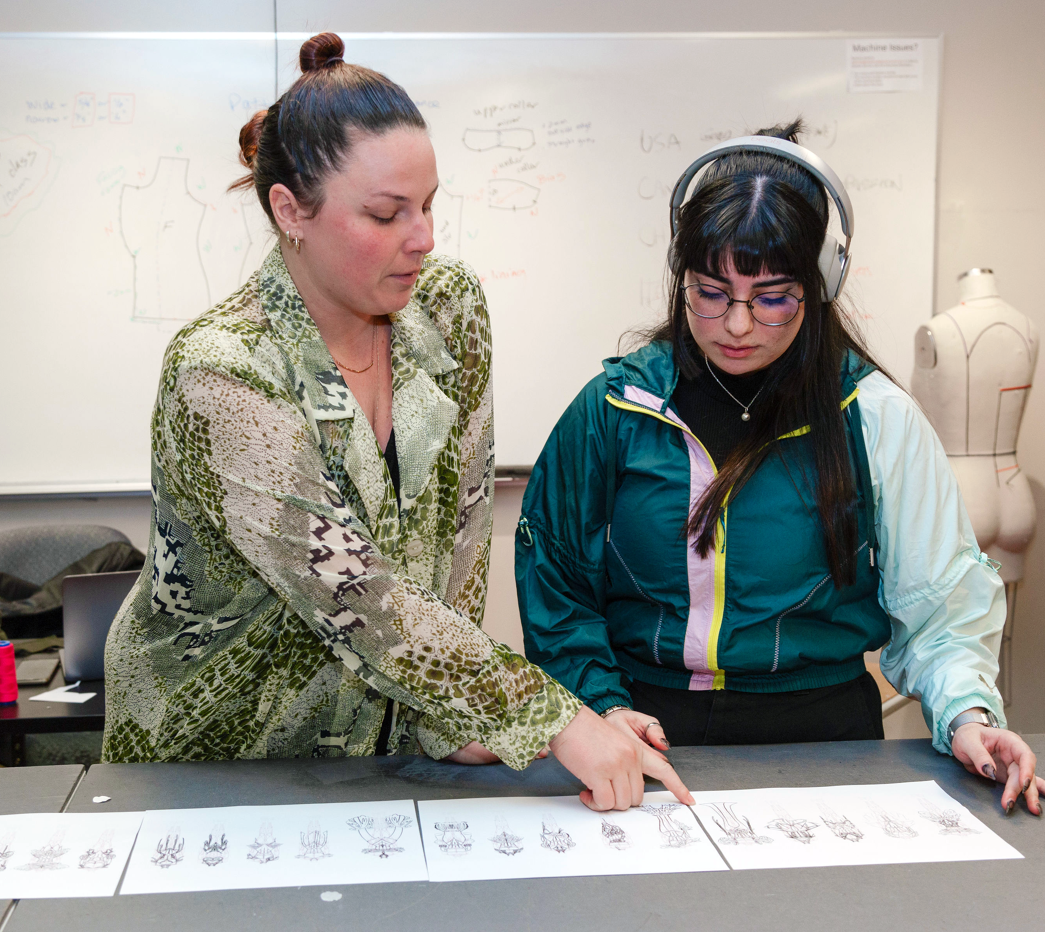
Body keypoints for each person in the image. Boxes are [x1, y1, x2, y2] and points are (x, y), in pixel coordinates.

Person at [102, 33, 690, 812]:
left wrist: (455, 715)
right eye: (386, 214)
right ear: (290, 211)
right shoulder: (222, 369)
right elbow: (357, 594)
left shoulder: (447, 308)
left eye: (428, 205)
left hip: (376, 754)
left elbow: (464, 534)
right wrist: (553, 717)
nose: (423, 238)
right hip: (216, 757)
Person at [516, 120, 1045, 815]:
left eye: (772, 297)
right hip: (642, 734)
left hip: (825, 737)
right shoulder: (615, 409)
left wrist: (969, 716)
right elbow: (557, 585)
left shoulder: (873, 416)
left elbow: (941, 606)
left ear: (820, 284)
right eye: (710, 292)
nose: (737, 323)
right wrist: (600, 703)